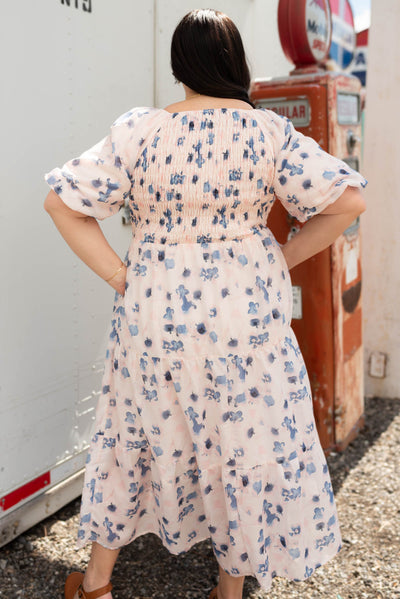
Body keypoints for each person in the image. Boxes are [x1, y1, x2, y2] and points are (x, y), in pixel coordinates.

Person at [43, 8, 367, 599]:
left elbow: (62, 204)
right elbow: (346, 202)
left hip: (154, 307)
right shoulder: (269, 132)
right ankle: (228, 590)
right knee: (243, 440)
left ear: (179, 65)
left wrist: (121, 274)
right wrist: (282, 259)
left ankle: (95, 586)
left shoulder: (139, 130)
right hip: (246, 309)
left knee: (133, 432)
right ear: (235, 61)